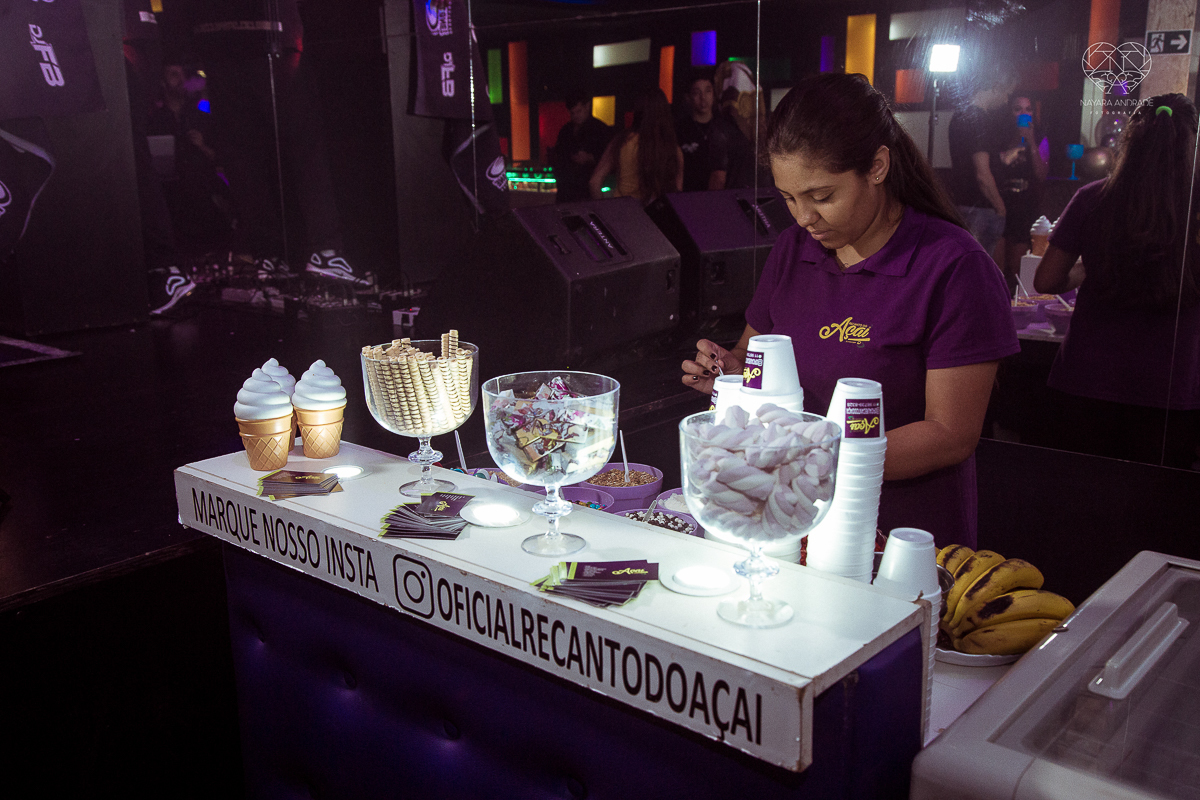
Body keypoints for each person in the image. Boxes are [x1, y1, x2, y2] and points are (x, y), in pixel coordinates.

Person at [680, 73, 1019, 547]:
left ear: (877, 166)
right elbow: (752, 353)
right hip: (790, 518)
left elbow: (950, 433)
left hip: (900, 531)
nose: (804, 217)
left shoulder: (954, 266)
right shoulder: (793, 249)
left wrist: (815, 461)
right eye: (789, 198)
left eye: (822, 197)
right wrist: (731, 373)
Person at [1034, 94, 1200, 468]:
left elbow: (1047, 279)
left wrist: (1089, 267)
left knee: (1081, 492)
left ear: (1130, 139)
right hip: (1172, 386)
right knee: (1155, 498)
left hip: (1088, 378)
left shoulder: (1093, 197)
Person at [948, 69, 1017, 262]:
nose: (1006, 100)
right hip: (981, 208)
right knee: (979, 269)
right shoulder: (979, 120)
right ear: (996, 87)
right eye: (1006, 93)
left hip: (966, 204)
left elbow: (969, 162)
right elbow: (982, 174)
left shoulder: (960, 116)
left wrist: (1000, 160)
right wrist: (1000, 207)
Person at [588, 89, 683, 205]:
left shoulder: (623, 141)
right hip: (657, 214)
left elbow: (594, 182)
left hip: (624, 211)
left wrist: (605, 210)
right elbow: (677, 195)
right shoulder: (673, 149)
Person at [994, 94, 1048, 289]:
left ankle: (1016, 299)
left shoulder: (1040, 138)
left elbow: (1041, 174)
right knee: (997, 265)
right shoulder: (1000, 137)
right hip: (1002, 201)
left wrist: (1031, 141)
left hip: (1025, 203)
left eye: (1028, 109)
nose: (1024, 114)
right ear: (1010, 112)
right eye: (1018, 109)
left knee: (1017, 265)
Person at [676, 71, 738, 192]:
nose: (703, 97)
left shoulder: (725, 127)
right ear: (688, 97)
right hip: (688, 195)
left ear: (714, 95)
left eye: (708, 91)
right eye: (697, 93)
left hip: (719, 195)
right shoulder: (680, 130)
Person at [548, 92, 612, 203]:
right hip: (566, 189)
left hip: (585, 189)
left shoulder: (600, 129)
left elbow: (610, 158)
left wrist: (590, 158)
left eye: (579, 111)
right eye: (572, 113)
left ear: (587, 106)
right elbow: (559, 154)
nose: (575, 116)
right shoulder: (566, 130)